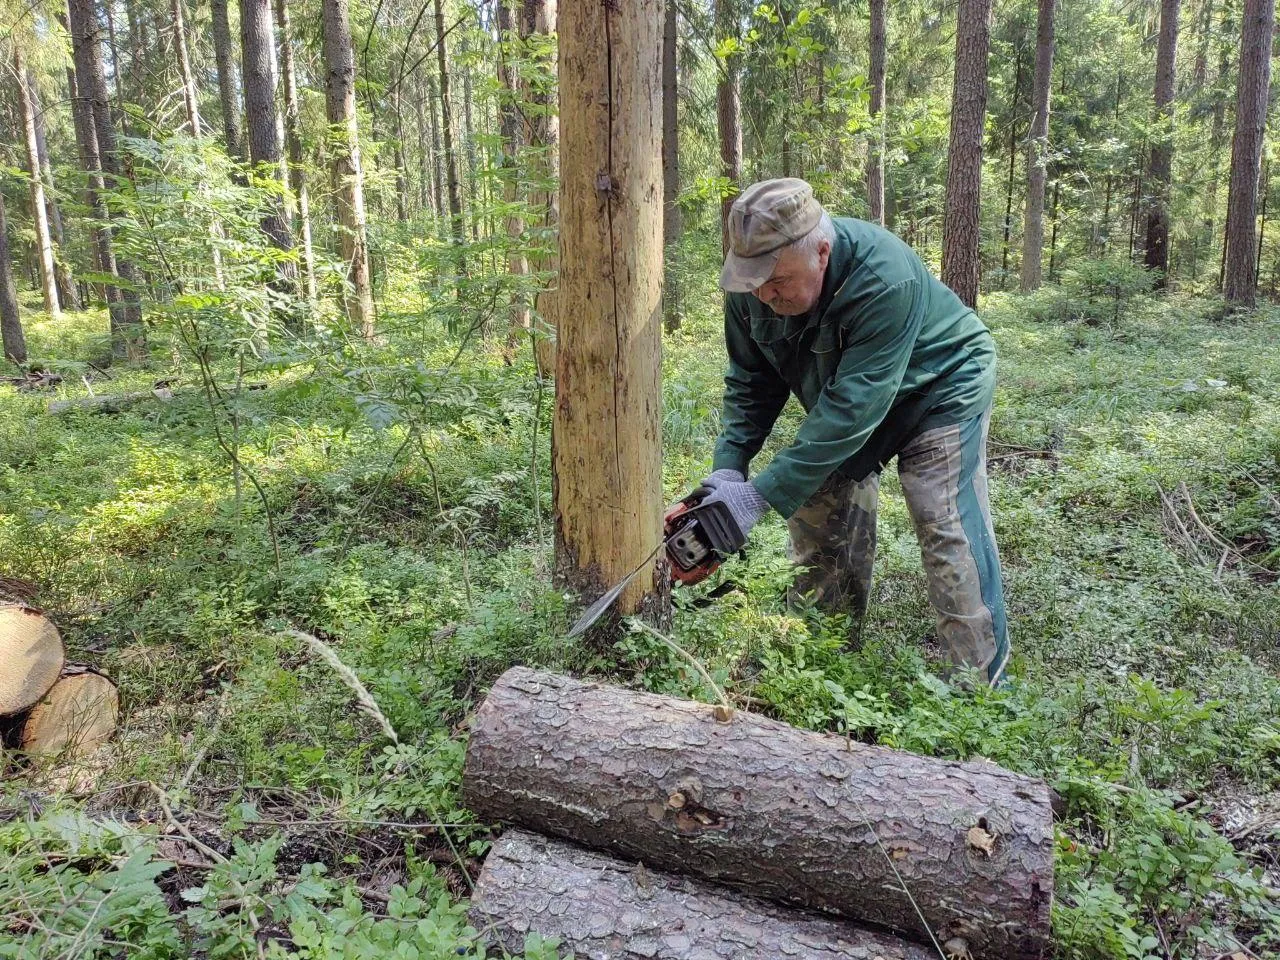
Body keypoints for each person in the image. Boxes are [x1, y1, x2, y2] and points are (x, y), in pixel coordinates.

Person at [690, 177, 1009, 685]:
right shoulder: (752, 289)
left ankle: (981, 685)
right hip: (850, 395)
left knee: (941, 518)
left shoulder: (885, 276)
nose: (764, 295)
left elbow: (854, 407)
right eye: (752, 281)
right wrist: (728, 471)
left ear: (821, 252)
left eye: (777, 280)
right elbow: (751, 382)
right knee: (819, 506)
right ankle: (822, 660)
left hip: (941, 386)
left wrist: (760, 496)